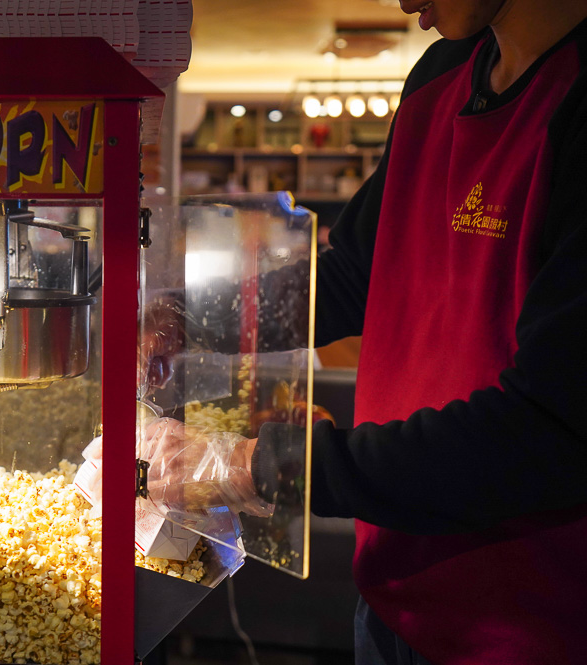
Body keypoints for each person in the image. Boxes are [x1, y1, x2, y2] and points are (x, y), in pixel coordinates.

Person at [138, 1, 587, 663]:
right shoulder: (443, 71)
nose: (401, 1)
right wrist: (191, 319)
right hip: (390, 596)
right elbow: (356, 273)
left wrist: (252, 464)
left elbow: (545, 426)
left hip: (528, 626)